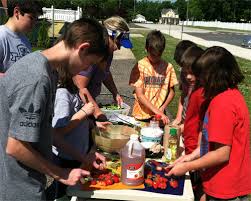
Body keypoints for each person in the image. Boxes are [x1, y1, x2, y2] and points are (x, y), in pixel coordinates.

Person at [0, 17, 109, 201]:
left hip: (30, 182)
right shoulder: (36, 78)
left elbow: (47, 131)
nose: (86, 69)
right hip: (17, 189)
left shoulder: (48, 71)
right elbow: (15, 146)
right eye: (89, 64)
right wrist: (61, 173)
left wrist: (83, 157)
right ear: (82, 48)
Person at [168, 46, 251, 200]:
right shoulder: (229, 94)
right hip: (224, 182)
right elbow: (211, 143)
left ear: (215, 76)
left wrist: (186, 167)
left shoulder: (223, 103)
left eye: (202, 76)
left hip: (225, 186)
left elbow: (222, 153)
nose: (199, 80)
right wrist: (190, 156)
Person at [51, 65, 110, 199]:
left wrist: (94, 123)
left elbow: (78, 121)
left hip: (76, 154)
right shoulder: (63, 95)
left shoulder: (74, 91)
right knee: (63, 193)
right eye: (81, 71)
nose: (85, 76)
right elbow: (60, 130)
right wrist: (84, 113)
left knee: (77, 189)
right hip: (64, 157)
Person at [73, 16, 133, 120]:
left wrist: (115, 93)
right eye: (118, 43)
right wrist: (99, 115)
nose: (119, 48)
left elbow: (105, 73)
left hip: (89, 105)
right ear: (110, 35)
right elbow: (81, 88)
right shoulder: (93, 51)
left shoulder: (108, 53)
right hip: (76, 107)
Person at [129, 30, 178, 124]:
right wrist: (157, 111)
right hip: (140, 115)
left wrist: (162, 108)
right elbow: (140, 95)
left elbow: (172, 92)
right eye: (152, 55)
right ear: (146, 49)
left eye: (158, 55)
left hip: (159, 117)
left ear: (163, 51)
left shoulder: (168, 67)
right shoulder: (140, 66)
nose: (155, 58)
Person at [0, 0, 43, 75]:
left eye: (36, 20)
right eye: (31, 18)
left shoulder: (25, 40)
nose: (34, 24)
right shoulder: (1, 36)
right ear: (16, 12)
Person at [172, 40, 196, 126]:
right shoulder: (183, 73)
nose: (187, 75)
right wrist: (179, 117)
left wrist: (186, 125)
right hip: (184, 119)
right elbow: (183, 94)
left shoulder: (200, 78)